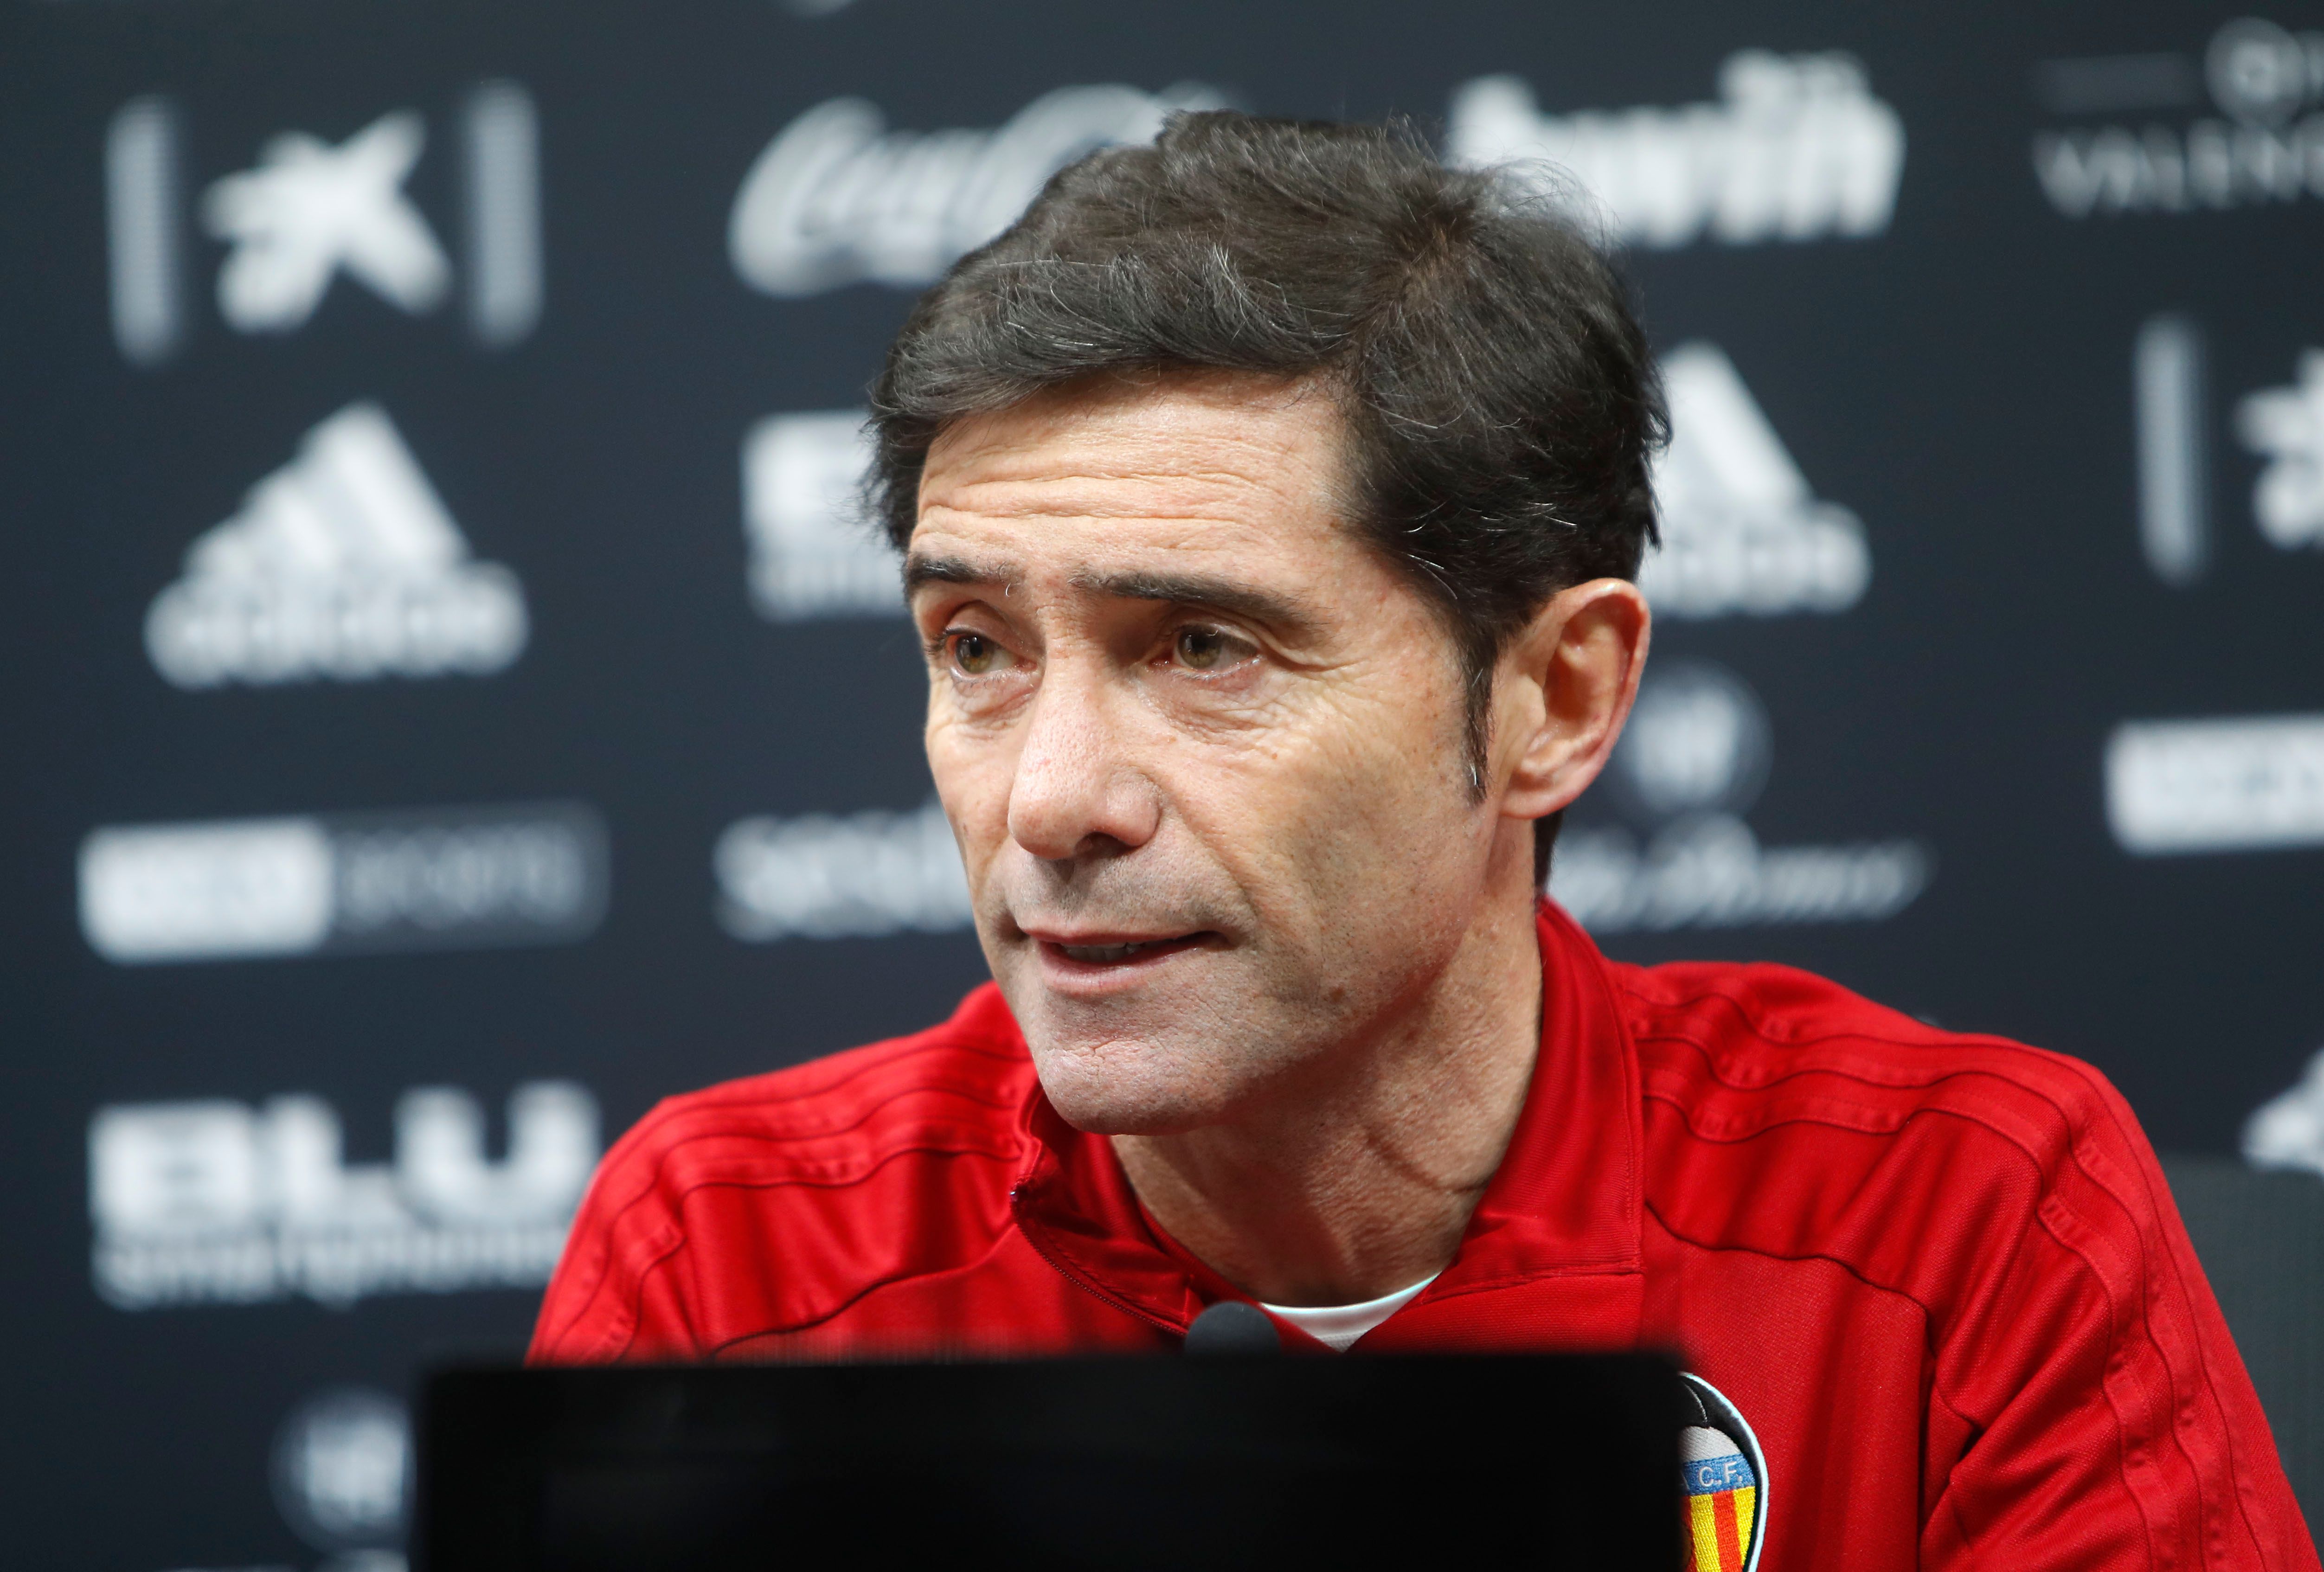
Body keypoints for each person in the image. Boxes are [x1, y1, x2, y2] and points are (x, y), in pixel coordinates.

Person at [532, 112, 2316, 1569]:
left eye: (1202, 648)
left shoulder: (1964, 1224)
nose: (1049, 798)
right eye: (977, 650)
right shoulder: (727, 1262)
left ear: (1553, 696)